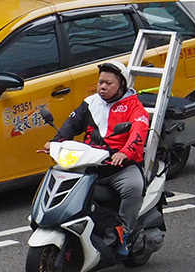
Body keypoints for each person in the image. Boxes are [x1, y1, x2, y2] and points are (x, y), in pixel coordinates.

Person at [49, 63, 151, 256]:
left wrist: (124, 153)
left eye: (108, 83)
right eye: (100, 82)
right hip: (91, 164)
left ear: (121, 85)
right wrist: (55, 142)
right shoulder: (90, 103)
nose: (102, 87)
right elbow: (71, 124)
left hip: (120, 167)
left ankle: (125, 233)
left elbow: (138, 135)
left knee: (134, 187)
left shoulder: (135, 108)